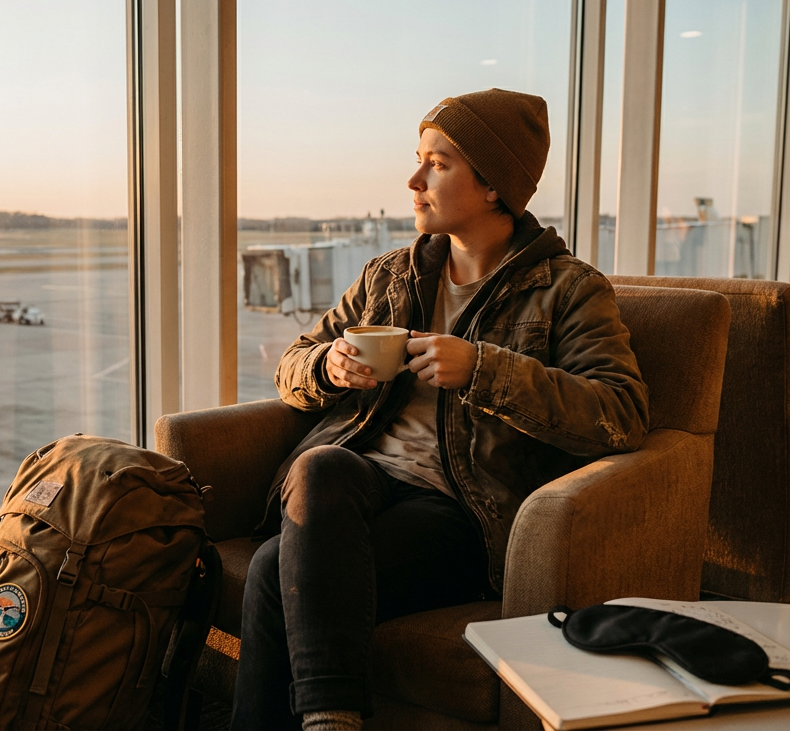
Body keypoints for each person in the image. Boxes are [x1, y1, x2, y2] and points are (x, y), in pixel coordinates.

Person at [231, 89, 649, 731]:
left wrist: (484, 370)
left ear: (493, 186)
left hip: (464, 510)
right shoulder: (389, 276)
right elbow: (294, 364)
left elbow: (620, 413)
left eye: (438, 163)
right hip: (359, 483)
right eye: (418, 159)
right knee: (320, 466)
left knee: (269, 569)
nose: (414, 180)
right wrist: (328, 367)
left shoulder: (568, 289)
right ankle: (333, 720)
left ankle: (327, 720)